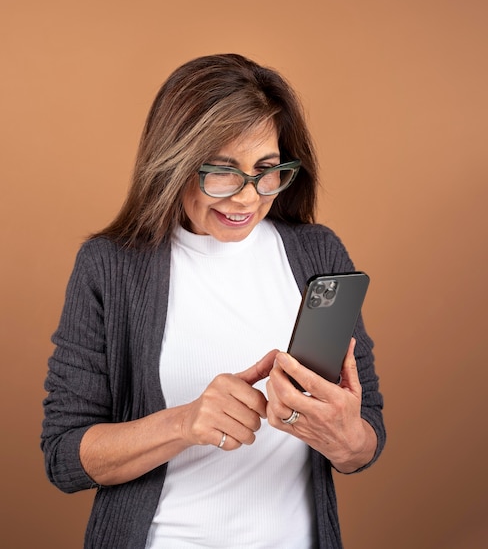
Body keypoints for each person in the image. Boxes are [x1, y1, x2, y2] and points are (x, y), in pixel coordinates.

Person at [41, 53, 385, 549]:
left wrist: (344, 436)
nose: (247, 197)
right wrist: (184, 422)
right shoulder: (110, 266)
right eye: (222, 172)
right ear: (174, 163)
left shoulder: (317, 253)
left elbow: (366, 439)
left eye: (267, 170)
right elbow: (65, 457)